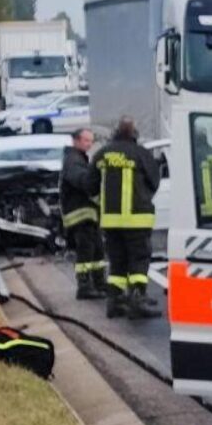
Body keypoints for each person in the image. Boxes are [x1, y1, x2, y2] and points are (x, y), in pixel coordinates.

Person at [88, 117, 162, 319]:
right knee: (139, 259)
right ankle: (137, 299)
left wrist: (104, 203)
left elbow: (90, 186)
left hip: (111, 221)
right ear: (134, 134)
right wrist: (143, 197)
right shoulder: (141, 153)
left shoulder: (101, 154)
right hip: (137, 219)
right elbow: (155, 181)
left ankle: (115, 301)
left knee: (117, 261)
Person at [61, 128, 107, 300]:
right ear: (76, 141)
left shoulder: (79, 158)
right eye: (86, 140)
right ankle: (84, 286)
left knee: (97, 251)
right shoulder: (73, 160)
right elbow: (81, 180)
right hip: (80, 214)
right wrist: (93, 180)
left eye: (91, 141)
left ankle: (99, 283)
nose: (89, 144)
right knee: (86, 251)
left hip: (87, 213)